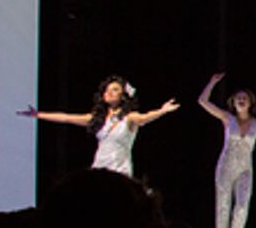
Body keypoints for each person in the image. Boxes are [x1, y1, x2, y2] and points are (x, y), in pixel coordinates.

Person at [21, 75, 179, 177]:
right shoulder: (98, 119)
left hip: (119, 172)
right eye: (107, 90)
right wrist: (38, 114)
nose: (109, 93)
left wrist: (162, 110)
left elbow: (145, 117)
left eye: (115, 90)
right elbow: (66, 117)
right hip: (98, 169)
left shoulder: (130, 118)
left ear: (123, 96)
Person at [197, 73, 256, 228]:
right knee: (223, 205)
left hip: (245, 169)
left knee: (242, 206)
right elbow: (202, 101)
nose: (241, 100)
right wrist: (212, 82)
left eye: (245, 98)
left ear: (250, 102)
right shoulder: (228, 118)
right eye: (238, 98)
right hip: (225, 166)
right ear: (233, 102)